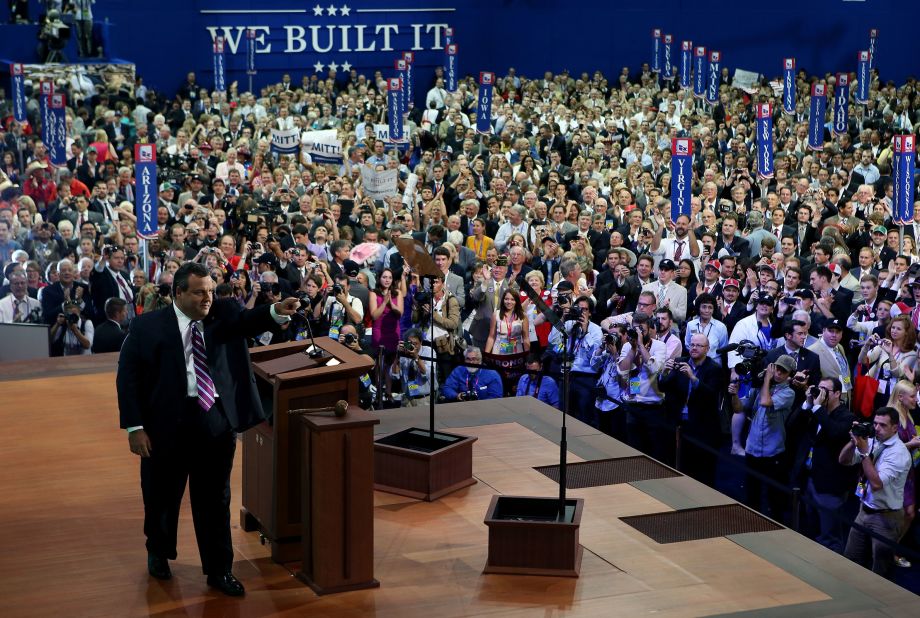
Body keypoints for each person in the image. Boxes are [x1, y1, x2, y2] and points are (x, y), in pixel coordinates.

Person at [116, 262, 299, 596]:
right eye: (199, 292)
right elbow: (127, 380)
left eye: (211, 291)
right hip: (164, 428)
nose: (207, 298)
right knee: (162, 497)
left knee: (215, 499)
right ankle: (158, 552)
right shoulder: (147, 327)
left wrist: (274, 310)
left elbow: (248, 320)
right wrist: (135, 427)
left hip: (215, 421)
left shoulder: (223, 314)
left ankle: (219, 570)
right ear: (179, 292)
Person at [840, 407, 912, 580]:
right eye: (875, 424)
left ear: (895, 428)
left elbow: (876, 483)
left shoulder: (899, 453)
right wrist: (854, 441)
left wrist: (864, 453)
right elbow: (843, 460)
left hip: (886, 518)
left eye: (882, 425)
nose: (877, 428)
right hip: (864, 510)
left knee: (880, 571)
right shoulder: (873, 441)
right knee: (850, 559)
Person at [729, 355, 797, 521]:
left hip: (773, 451)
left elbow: (766, 402)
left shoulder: (788, 393)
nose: (778, 373)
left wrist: (766, 379)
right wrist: (734, 395)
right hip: (752, 448)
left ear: (789, 375)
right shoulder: (759, 388)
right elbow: (739, 409)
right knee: (752, 493)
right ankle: (751, 523)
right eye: (777, 369)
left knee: (775, 499)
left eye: (783, 371)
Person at [800, 378, 856, 553]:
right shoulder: (817, 411)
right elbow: (795, 425)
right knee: (811, 526)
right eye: (819, 389)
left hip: (831, 485)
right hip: (811, 478)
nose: (821, 393)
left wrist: (817, 407)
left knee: (829, 536)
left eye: (826, 390)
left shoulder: (847, 417)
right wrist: (809, 403)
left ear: (838, 394)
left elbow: (833, 432)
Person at [659, 334, 724, 486]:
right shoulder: (679, 362)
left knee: (703, 471)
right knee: (681, 467)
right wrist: (664, 373)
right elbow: (663, 386)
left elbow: (711, 395)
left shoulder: (714, 369)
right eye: (692, 344)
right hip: (680, 424)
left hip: (703, 428)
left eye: (699, 345)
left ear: (707, 349)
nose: (694, 348)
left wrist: (692, 378)